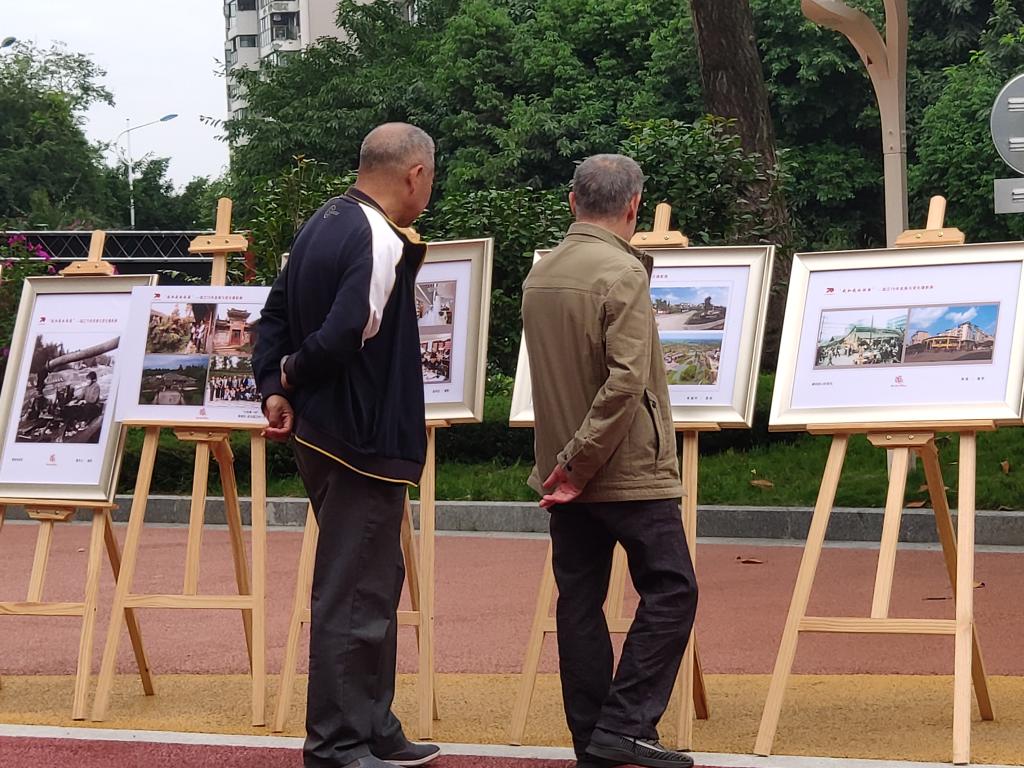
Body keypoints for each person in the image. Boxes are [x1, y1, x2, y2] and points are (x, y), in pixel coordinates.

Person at [253, 123, 439, 768]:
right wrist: (292, 376)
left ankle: (374, 725)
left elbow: (272, 316)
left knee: (372, 581)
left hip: (322, 434)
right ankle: (336, 743)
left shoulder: (320, 221)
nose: (428, 195)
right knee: (355, 588)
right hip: (360, 438)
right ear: (415, 174)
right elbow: (344, 330)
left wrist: (272, 386)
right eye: (430, 181)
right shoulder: (379, 235)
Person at [521, 154, 699, 768]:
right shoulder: (623, 273)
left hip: (561, 465)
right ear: (634, 206)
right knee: (673, 589)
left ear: (573, 201)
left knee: (580, 602)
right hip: (624, 467)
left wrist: (567, 464)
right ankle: (625, 724)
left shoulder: (542, 274)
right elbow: (625, 383)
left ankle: (593, 739)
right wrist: (582, 462)